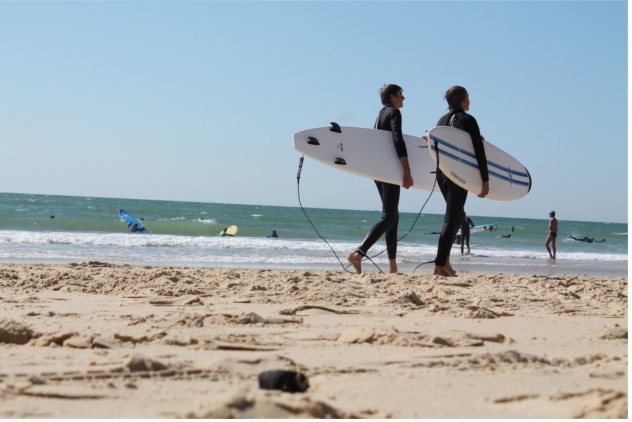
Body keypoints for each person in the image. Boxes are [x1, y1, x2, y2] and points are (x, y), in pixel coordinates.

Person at [347, 84, 413, 274]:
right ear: (392, 96)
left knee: (393, 216)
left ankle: (392, 266)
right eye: (401, 94)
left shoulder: (380, 115)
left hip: (378, 171)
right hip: (389, 170)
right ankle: (358, 253)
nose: (403, 98)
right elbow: (397, 139)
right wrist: (406, 171)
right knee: (389, 216)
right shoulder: (393, 112)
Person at [432, 86, 489, 276]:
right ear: (463, 100)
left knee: (457, 216)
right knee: (451, 218)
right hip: (458, 175)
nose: (470, 101)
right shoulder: (468, 119)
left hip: (442, 174)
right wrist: (485, 180)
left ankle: (445, 262)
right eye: (468, 98)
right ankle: (439, 265)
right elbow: (478, 152)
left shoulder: (441, 121)